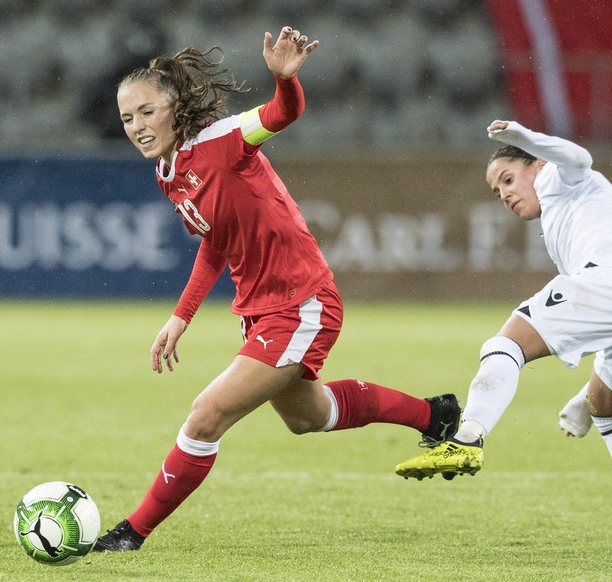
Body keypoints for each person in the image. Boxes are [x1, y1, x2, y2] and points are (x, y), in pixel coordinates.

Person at [93, 26, 460, 552]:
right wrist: (181, 316)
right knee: (308, 417)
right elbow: (216, 243)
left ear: (175, 106)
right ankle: (437, 415)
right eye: (127, 118)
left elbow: (280, 115)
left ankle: (132, 532)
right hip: (262, 309)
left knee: (205, 416)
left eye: (147, 112)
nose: (137, 126)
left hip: (300, 302)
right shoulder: (168, 172)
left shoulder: (222, 141)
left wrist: (284, 82)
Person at [394, 120, 612, 545]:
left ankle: (467, 437)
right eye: (497, 191)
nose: (505, 194)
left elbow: (579, 157)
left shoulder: (558, 176)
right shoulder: (576, 208)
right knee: (608, 407)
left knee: (504, 345)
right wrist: (587, 396)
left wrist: (522, 137)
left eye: (509, 179)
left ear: (537, 165)